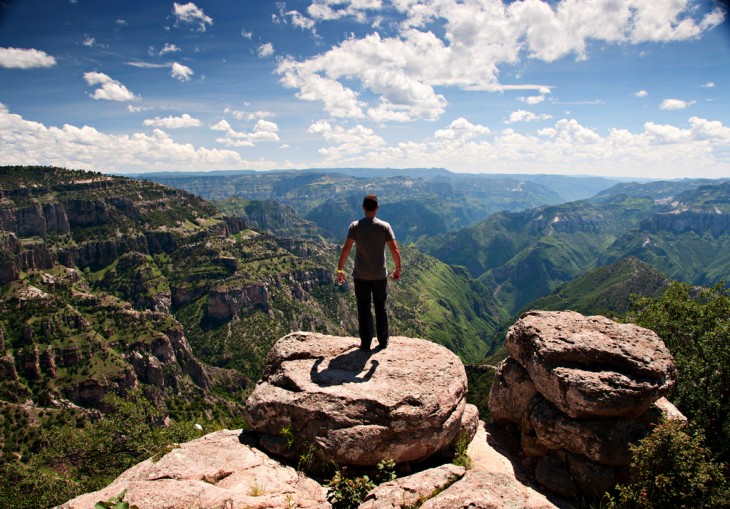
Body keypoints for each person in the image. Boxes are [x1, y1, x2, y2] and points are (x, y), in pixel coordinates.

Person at [337, 194, 401, 351]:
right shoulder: (385, 226)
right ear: (377, 208)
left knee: (363, 309)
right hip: (380, 276)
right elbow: (394, 249)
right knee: (381, 307)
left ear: (363, 208)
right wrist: (398, 268)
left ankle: (365, 344)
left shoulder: (354, 226)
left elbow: (346, 249)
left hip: (360, 276)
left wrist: (340, 269)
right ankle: (383, 342)